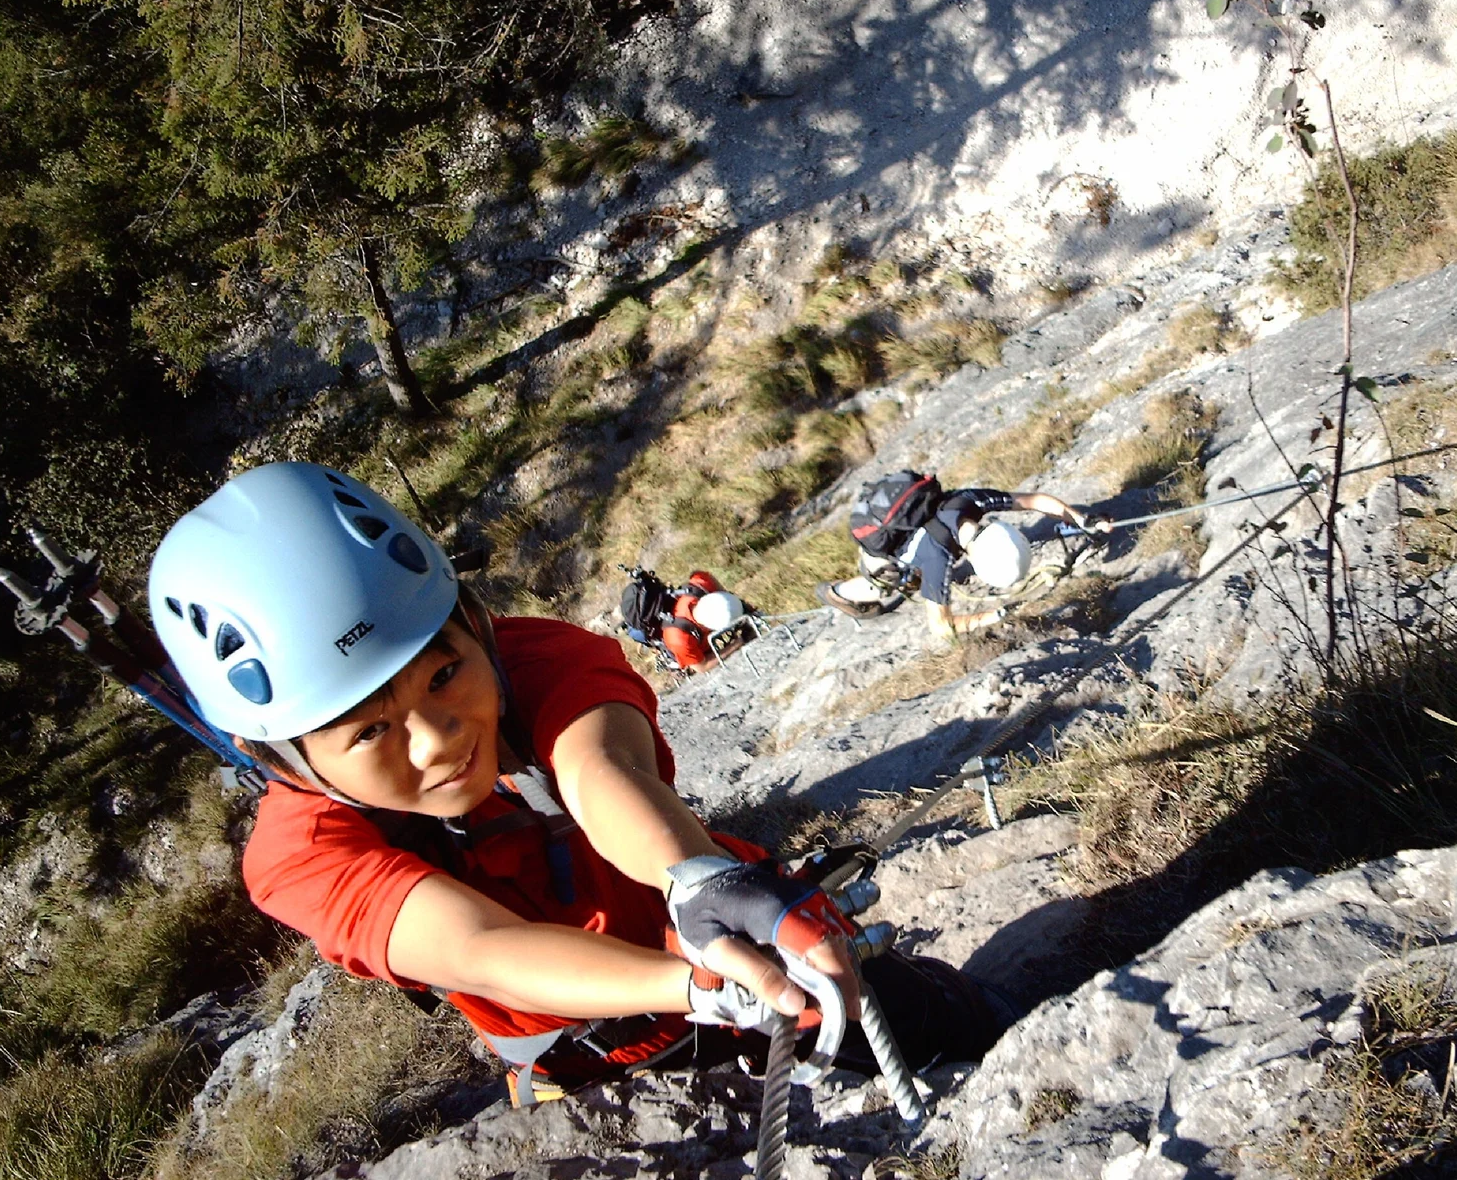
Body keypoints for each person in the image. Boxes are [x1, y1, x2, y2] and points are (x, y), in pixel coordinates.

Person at [148, 462, 1008, 1105]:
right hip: (615, 1046)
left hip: (734, 931)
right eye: (369, 730)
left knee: (953, 1022)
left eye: (443, 674)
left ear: (474, 626)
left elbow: (604, 768)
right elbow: (479, 950)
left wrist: (700, 881)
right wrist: (695, 986)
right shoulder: (301, 857)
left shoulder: (536, 659)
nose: (436, 738)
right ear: (284, 760)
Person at [819, 474, 1110, 638]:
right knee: (883, 583)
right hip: (882, 549)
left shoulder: (970, 500)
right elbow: (942, 628)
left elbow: (1032, 501)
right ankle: (836, 593)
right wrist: (993, 615)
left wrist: (1082, 520)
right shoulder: (937, 557)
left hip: (917, 526)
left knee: (920, 576)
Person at [619, 568, 749, 673]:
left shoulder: (700, 587)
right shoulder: (677, 638)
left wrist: (731, 599)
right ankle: (670, 661)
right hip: (678, 639)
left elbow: (699, 573)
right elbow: (702, 666)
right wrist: (739, 642)